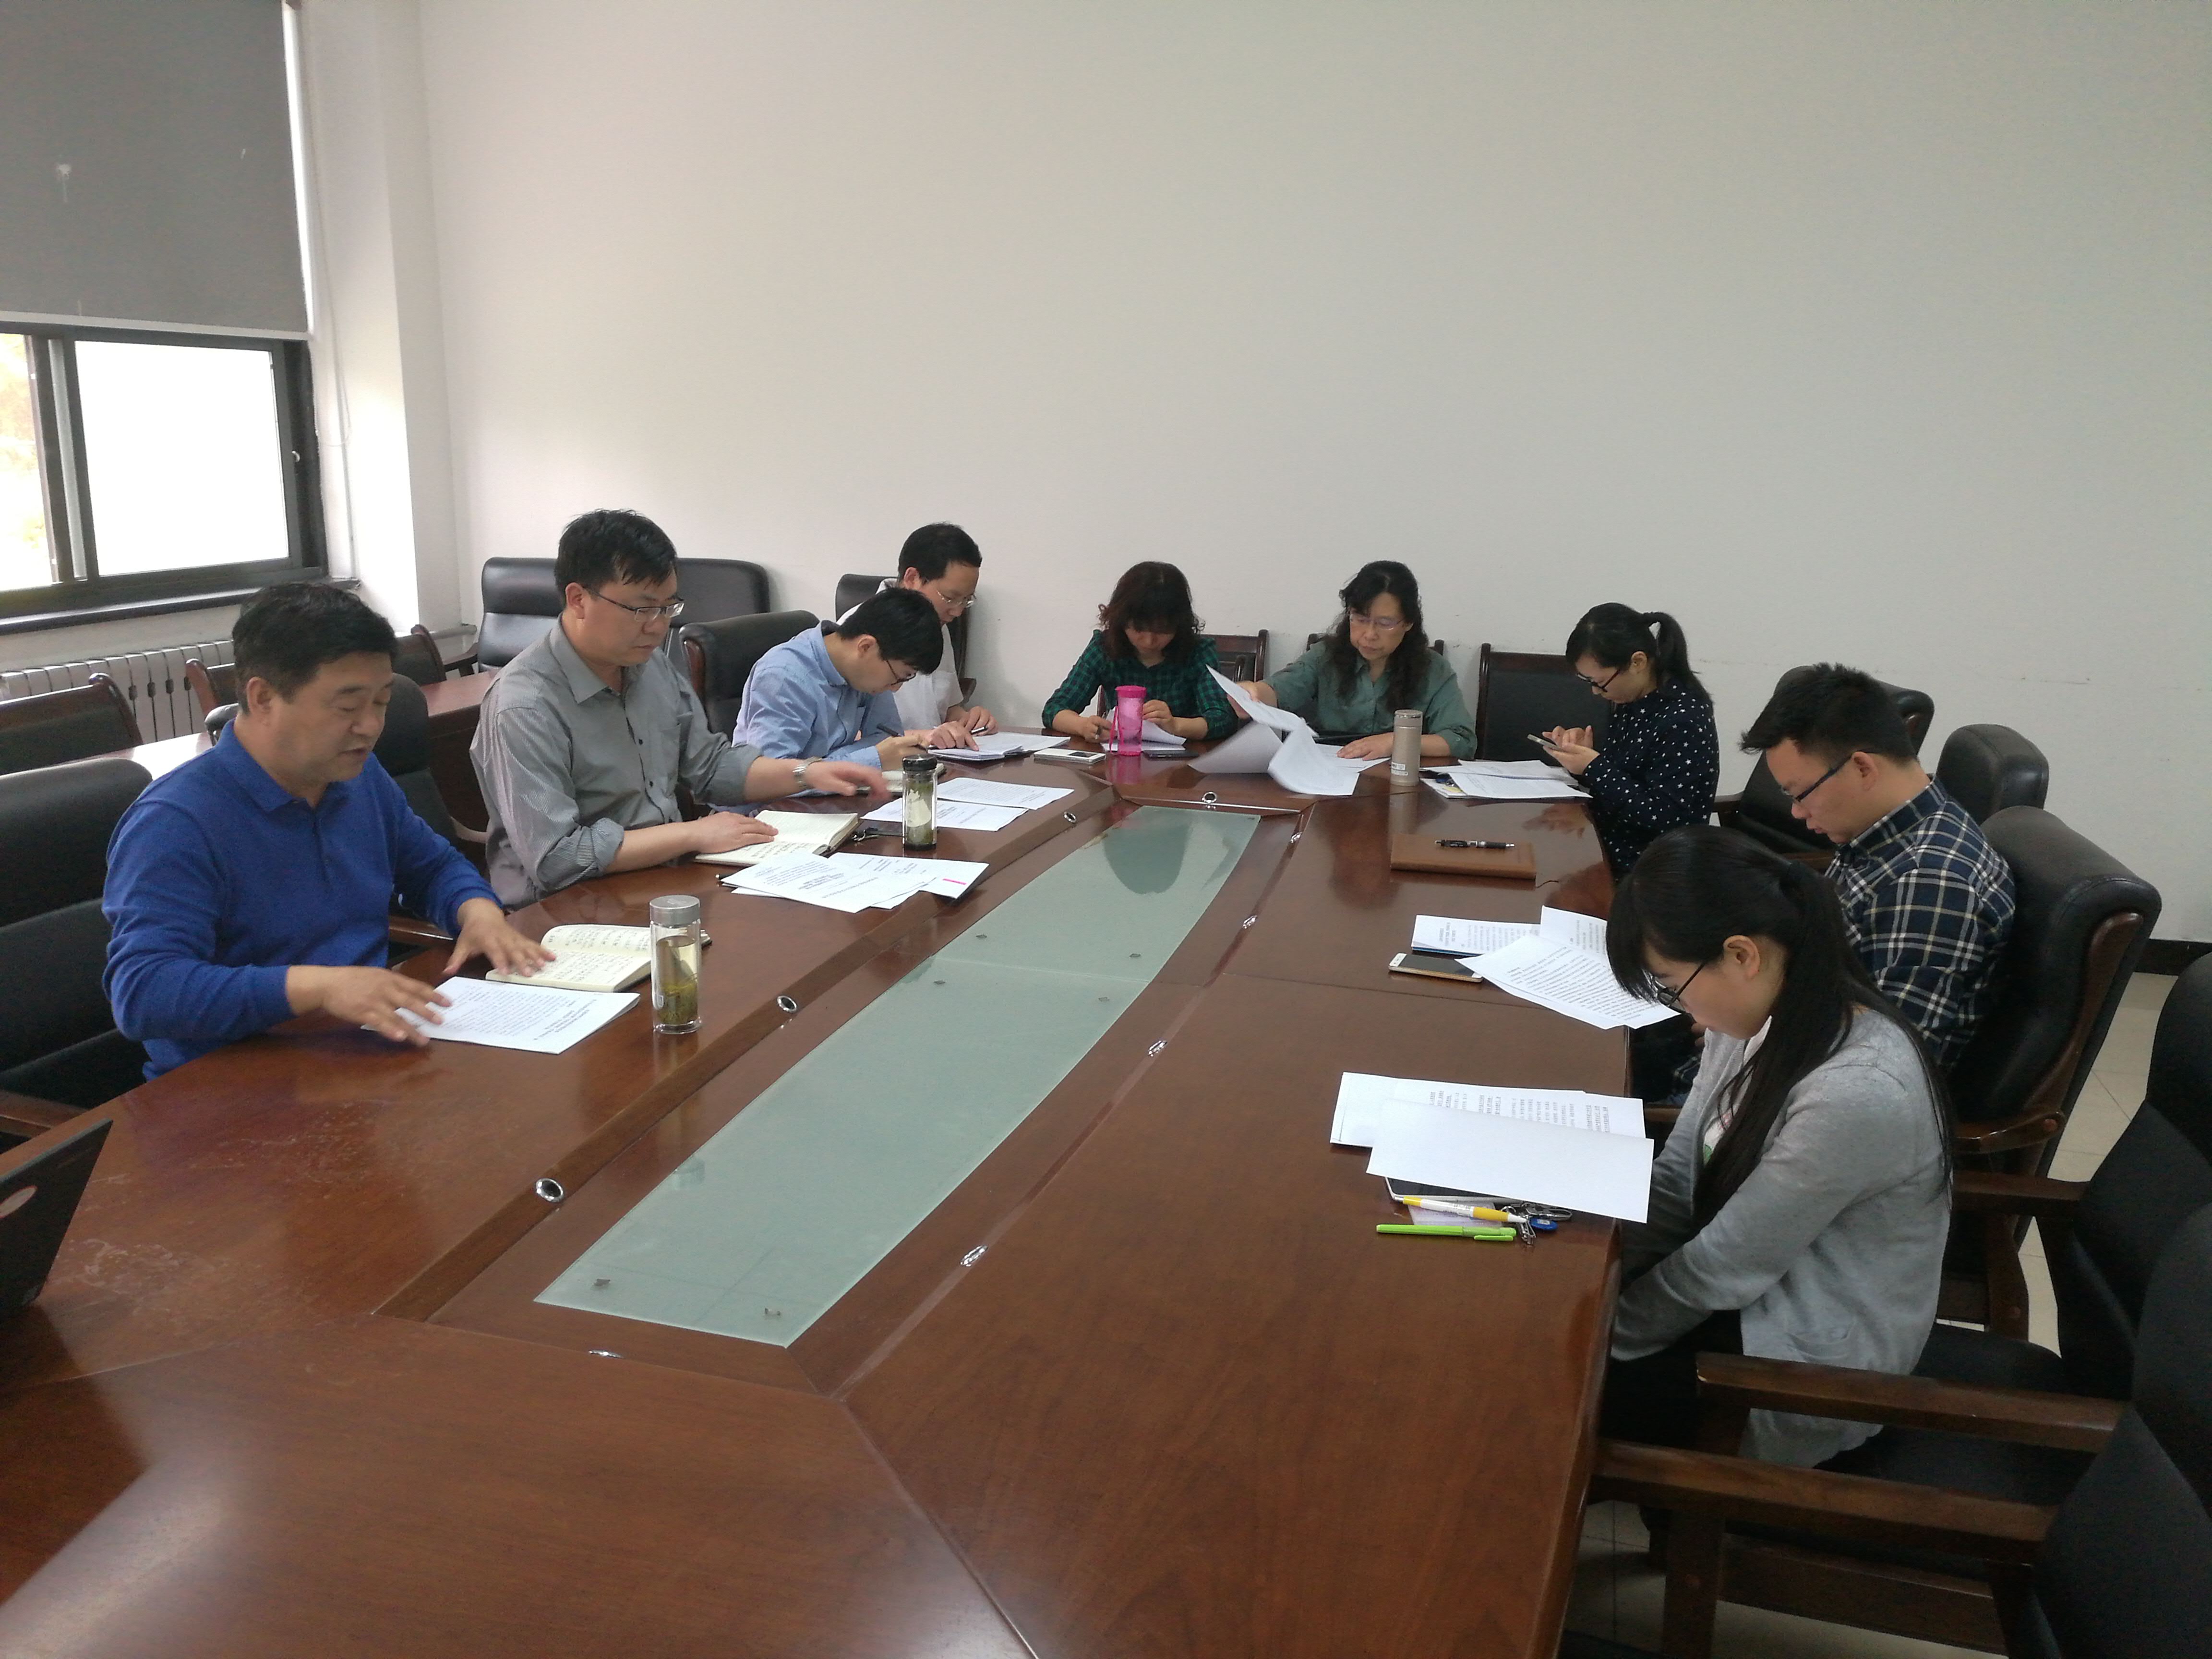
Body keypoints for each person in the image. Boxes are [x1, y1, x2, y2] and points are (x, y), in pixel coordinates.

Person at [1599, 826, 1950, 1466]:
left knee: (1525, 1391)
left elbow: (1724, 1268)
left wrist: (1597, 1339)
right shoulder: (1761, 1015)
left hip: (1797, 1366)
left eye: (1673, 984)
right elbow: (1681, 1175)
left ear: (1742, 955)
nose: (1683, 1011)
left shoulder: (1857, 1089)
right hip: (1739, 1295)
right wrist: (1601, 1272)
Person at [105, 583, 552, 1077]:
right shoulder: (176, 822)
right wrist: (321, 987)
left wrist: (477, 912)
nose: (371, 726)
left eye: (381, 702)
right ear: (263, 697)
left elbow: (432, 866)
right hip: (231, 1084)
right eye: (347, 707)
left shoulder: (357, 777)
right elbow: (143, 992)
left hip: (360, 1049)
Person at [472, 509, 881, 907]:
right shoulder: (524, 706)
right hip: (561, 909)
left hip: (660, 879)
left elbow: (711, 767)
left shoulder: (648, 666)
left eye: (668, 607)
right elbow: (558, 859)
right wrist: (694, 834)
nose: (658, 626)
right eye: (641, 609)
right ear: (579, 599)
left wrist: (806, 772)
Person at [1741, 665, 2015, 1070]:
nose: (1797, 812)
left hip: (1812, 1080)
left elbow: (1888, 1062)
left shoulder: (1929, 882)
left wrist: (1753, 1028)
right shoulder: (1880, 833)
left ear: (1862, 768)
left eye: (1800, 793)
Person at [1540, 604, 1719, 876]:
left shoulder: (1684, 719)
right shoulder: (1634, 700)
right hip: (1607, 843)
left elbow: (1665, 818)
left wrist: (1595, 767)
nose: (1596, 692)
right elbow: (1627, 779)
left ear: (1638, 662)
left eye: (1600, 683)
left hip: (1653, 866)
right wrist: (1582, 756)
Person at [1239, 561, 1475, 759]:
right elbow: (1280, 690)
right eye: (1360, 619)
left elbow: (1462, 740)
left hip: (1400, 783)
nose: (1370, 634)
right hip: (1329, 777)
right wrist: (1253, 693)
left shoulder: (1433, 669)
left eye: (1385, 623)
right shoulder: (1325, 657)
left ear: (1408, 623)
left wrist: (1397, 742)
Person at [736, 586, 950, 769]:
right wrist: (871, 759)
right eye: (899, 677)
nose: (895, 688)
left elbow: (887, 739)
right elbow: (773, 777)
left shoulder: (865, 673)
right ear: (866, 647)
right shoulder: (783, 676)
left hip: (834, 795)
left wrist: (836, 761)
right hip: (775, 804)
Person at [1042, 562, 1237, 743]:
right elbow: (1054, 709)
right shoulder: (1104, 647)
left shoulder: (1198, 652)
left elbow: (1222, 719)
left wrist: (1175, 725)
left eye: (1163, 631)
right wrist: (1083, 726)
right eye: (1139, 629)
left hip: (1185, 762)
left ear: (1180, 625)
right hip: (1119, 757)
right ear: (1121, 620)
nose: (1149, 641)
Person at [837, 522, 994, 746]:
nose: (958, 612)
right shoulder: (857, 631)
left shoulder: (938, 625)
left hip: (937, 758)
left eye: (966, 600)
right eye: (951, 598)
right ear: (912, 578)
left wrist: (970, 721)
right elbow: (838, 737)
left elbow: (947, 710)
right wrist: (921, 737)